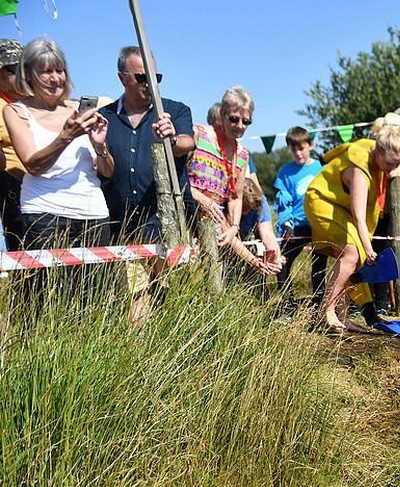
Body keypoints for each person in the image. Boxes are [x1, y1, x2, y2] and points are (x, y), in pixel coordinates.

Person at [100, 46, 195, 324]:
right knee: (136, 299)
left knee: (173, 294)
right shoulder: (104, 118)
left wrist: (172, 139)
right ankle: (138, 355)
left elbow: (188, 144)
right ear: (122, 78)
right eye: (142, 78)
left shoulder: (174, 111)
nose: (150, 84)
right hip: (123, 228)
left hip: (166, 225)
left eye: (156, 77)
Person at [3, 38, 112, 257]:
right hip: (45, 215)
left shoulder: (80, 109)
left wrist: (99, 147)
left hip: (93, 212)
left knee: (102, 288)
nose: (55, 79)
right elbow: (33, 165)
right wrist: (66, 136)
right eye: (45, 72)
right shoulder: (16, 111)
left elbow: (108, 171)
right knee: (53, 289)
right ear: (29, 76)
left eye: (60, 70)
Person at [304, 124, 400, 332]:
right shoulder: (360, 171)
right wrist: (368, 250)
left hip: (340, 207)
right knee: (352, 254)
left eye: (398, 164)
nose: (392, 169)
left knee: (352, 258)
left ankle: (343, 317)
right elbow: (360, 217)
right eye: (390, 163)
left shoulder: (377, 150)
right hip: (322, 201)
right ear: (378, 153)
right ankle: (326, 310)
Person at [188, 87, 277, 280]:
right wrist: (198, 196)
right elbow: (176, 178)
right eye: (234, 119)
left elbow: (235, 197)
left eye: (246, 121)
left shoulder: (242, 154)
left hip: (214, 226)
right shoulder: (197, 134)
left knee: (214, 283)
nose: (240, 126)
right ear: (222, 114)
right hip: (184, 221)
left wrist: (234, 229)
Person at [273, 126, 324, 319]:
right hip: (295, 226)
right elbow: (283, 199)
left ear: (310, 145)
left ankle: (320, 306)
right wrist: (286, 222)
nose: (298, 153)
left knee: (319, 266)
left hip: (318, 223)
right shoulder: (285, 171)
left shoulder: (320, 167)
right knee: (283, 263)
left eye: (301, 148)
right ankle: (288, 306)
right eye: (293, 149)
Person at [0, 38, 24, 251]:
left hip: (51, 192)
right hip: (14, 194)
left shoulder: (38, 101)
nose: (22, 75)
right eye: (13, 69)